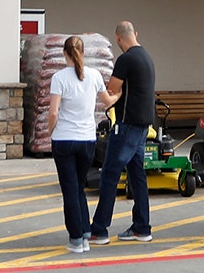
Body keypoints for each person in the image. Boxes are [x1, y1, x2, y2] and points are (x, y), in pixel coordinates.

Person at [89, 21, 155, 245]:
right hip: (142, 125)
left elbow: (112, 88)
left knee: (109, 173)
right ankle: (142, 227)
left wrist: (113, 94)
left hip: (126, 125)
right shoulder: (146, 56)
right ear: (135, 34)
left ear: (118, 39)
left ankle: (99, 229)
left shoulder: (125, 59)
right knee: (137, 176)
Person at [47, 36, 113, 254]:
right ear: (82, 52)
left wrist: (50, 131)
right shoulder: (94, 75)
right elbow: (107, 101)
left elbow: (54, 111)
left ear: (64, 53)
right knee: (79, 188)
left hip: (64, 139)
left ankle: (76, 238)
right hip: (87, 139)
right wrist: (121, 93)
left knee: (69, 190)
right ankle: (84, 231)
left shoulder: (59, 78)